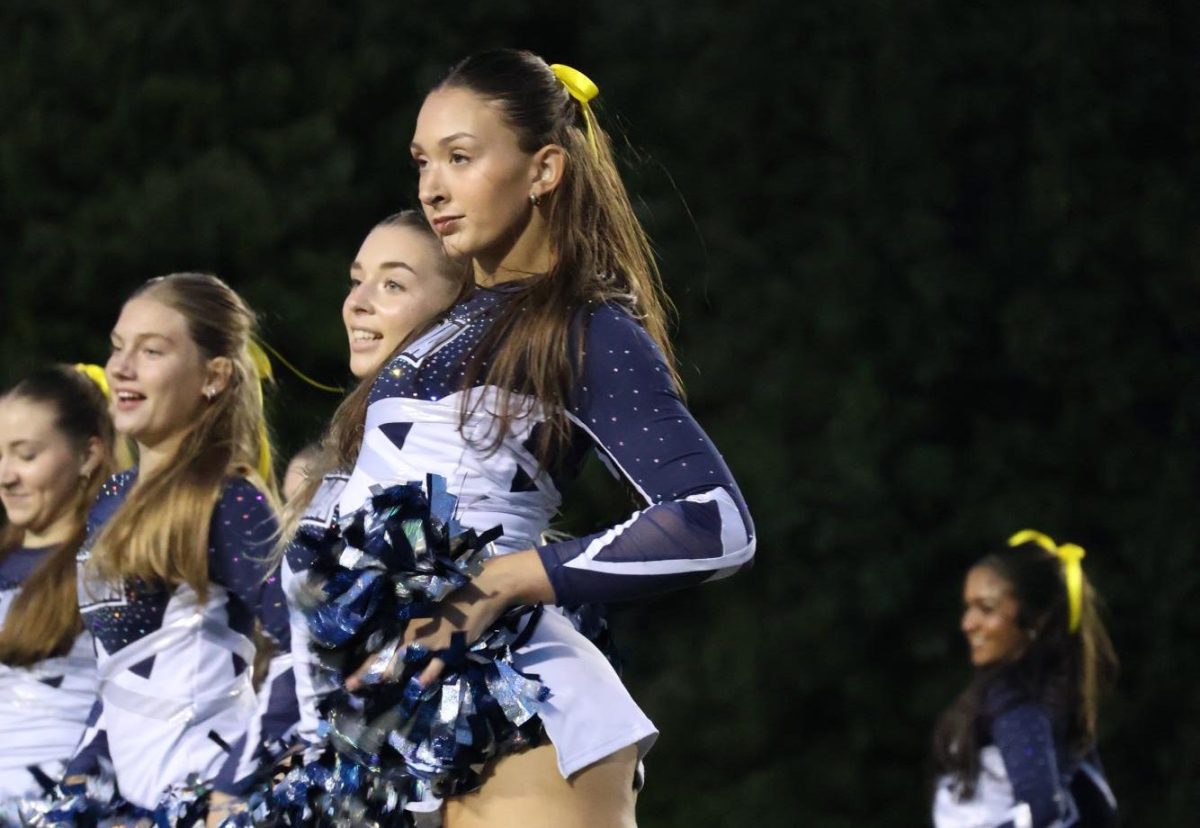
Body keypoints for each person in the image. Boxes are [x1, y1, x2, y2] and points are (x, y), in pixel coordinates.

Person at [291, 49, 756, 827]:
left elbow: (715, 520)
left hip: (523, 715)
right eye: (422, 162)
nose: (431, 187)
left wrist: (503, 581)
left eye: (461, 158)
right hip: (414, 723)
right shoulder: (453, 324)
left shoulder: (584, 325)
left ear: (544, 170)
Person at [65, 273, 297, 822]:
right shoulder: (113, 497)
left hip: (204, 794)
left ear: (213, 377)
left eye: (151, 350)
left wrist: (233, 789)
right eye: (119, 347)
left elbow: (305, 648)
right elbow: (118, 672)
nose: (121, 367)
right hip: (135, 805)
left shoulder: (229, 499)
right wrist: (80, 783)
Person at [932, 531, 1119, 828]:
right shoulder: (1041, 695)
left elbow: (1043, 811)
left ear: (1036, 619)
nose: (967, 624)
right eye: (968, 607)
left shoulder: (1020, 709)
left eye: (986, 608)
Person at [0, 366, 115, 808]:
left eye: (26, 456)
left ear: (88, 455)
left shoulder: (111, 568)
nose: (7, 476)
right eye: (1, 455)